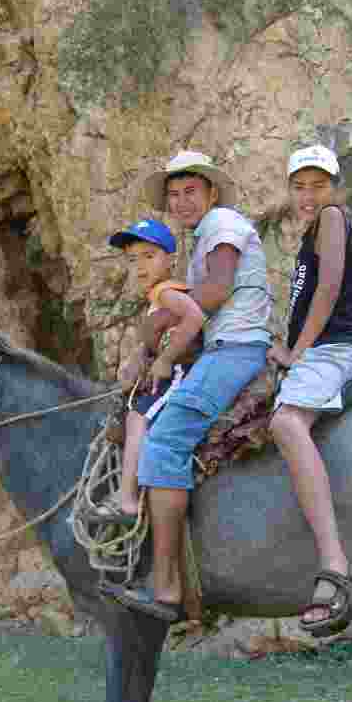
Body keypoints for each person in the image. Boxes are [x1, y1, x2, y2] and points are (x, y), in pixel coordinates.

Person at [104, 151, 272, 623]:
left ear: (211, 193)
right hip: (226, 346)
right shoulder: (205, 238)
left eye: (190, 191)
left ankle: (167, 587)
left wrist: (156, 325)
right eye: (173, 195)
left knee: (166, 439)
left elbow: (215, 294)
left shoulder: (222, 224)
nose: (180, 202)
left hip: (235, 348)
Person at [266, 144, 352, 637]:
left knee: (287, 422)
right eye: (300, 186)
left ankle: (334, 563)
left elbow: (330, 288)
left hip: (332, 348)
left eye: (319, 185)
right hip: (321, 348)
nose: (309, 196)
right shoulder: (311, 232)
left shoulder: (332, 218)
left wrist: (296, 351)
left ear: (336, 189)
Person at [86, 217, 205, 526]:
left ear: (171, 259)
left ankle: (127, 499)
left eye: (149, 256)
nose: (140, 266)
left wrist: (166, 358)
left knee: (139, 418)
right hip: (172, 368)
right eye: (132, 259)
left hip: (181, 371)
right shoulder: (158, 295)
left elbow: (195, 317)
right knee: (133, 412)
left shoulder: (166, 292)